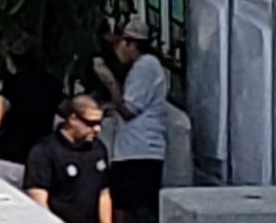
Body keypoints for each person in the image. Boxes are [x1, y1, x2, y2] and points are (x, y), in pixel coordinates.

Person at [93, 19, 171, 222]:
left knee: (133, 209)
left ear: (130, 43)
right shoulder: (141, 67)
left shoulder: (145, 66)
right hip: (132, 150)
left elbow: (128, 109)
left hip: (140, 150)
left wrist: (110, 81)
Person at [23, 94, 114, 223]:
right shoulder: (45, 150)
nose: (97, 129)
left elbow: (103, 193)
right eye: (91, 124)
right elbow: (37, 196)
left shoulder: (97, 149)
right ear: (73, 119)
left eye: (99, 123)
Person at [0, 41, 64, 184]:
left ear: (11, 60)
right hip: (38, 155)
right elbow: (67, 110)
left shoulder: (9, 84)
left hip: (6, 155)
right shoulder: (52, 84)